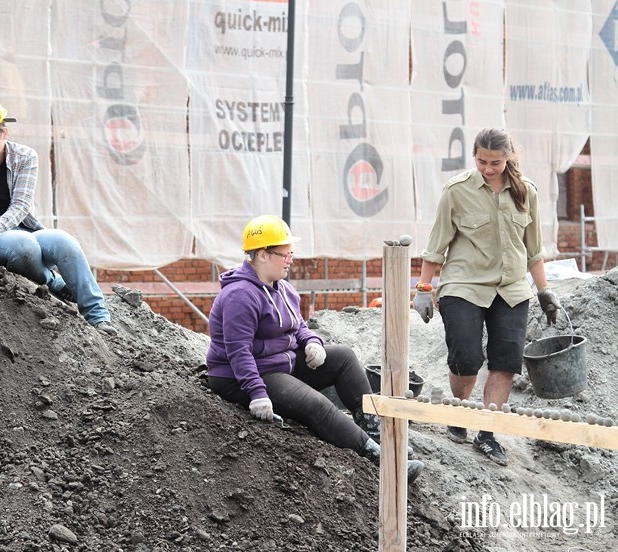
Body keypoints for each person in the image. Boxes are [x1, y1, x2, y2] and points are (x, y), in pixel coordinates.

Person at [206, 215, 424, 483]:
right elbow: (238, 352)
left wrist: (312, 341)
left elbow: (298, 326)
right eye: (284, 254)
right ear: (262, 255)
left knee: (343, 357)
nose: (290, 259)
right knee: (316, 403)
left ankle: (375, 430)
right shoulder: (240, 296)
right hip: (244, 376)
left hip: (280, 364)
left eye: (290, 253)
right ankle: (380, 459)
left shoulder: (282, 288)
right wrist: (257, 394)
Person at [413, 126, 561, 466]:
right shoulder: (456, 192)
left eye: (495, 162)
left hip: (510, 289)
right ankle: (462, 412)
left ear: (507, 157)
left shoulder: (526, 192)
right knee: (465, 359)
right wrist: (423, 290)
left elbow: (534, 250)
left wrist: (545, 291)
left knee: (506, 361)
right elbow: (435, 247)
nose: (488, 169)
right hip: (464, 285)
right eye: (482, 161)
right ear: (475, 156)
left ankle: (488, 432)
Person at [0, 95, 117, 336]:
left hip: (20, 230)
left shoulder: (26, 157)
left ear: (5, 132)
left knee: (65, 242)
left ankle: (98, 317)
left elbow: (21, 206)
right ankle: (53, 282)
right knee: (24, 246)